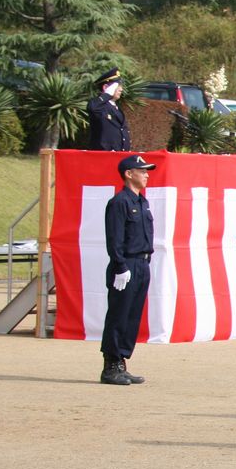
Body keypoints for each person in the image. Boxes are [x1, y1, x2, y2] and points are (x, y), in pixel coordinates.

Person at [99, 154, 155, 385]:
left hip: (142, 263)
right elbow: (115, 238)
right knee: (119, 315)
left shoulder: (142, 201)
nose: (146, 174)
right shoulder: (120, 202)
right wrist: (120, 265)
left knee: (132, 316)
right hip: (126, 264)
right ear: (129, 174)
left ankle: (122, 361)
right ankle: (110, 365)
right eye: (142, 171)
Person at [86, 68, 131, 152]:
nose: (121, 89)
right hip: (104, 155)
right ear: (106, 87)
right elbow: (92, 108)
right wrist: (107, 94)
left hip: (119, 155)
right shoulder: (100, 106)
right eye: (117, 86)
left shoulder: (116, 107)